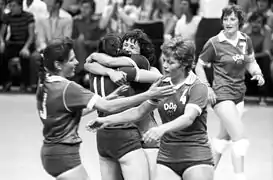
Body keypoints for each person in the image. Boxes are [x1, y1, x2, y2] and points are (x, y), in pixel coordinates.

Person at [36, 37, 175, 180]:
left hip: (50, 151)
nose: (77, 62)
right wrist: (149, 94)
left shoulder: (44, 83)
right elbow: (109, 106)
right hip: (66, 153)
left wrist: (108, 97)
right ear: (58, 65)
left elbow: (72, 111)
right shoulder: (68, 88)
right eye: (71, 60)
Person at [87, 36, 215, 180]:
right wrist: (106, 121)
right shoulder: (162, 83)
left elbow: (188, 118)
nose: (165, 65)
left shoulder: (197, 87)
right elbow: (139, 111)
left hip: (196, 155)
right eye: (164, 60)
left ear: (185, 64)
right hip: (167, 158)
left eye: (170, 62)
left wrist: (160, 129)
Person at [195, 5, 265, 180]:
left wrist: (257, 72)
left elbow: (250, 61)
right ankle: (240, 177)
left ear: (239, 22)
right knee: (240, 139)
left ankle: (204, 175)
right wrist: (207, 87)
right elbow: (199, 66)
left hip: (239, 95)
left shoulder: (244, 40)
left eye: (232, 19)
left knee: (222, 140)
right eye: (225, 19)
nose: (228, 22)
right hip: (221, 94)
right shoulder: (214, 43)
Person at [84, 30, 162, 180]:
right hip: (124, 129)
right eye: (125, 44)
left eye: (133, 46)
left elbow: (100, 63)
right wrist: (108, 71)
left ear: (142, 51)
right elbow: (92, 65)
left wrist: (94, 57)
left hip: (145, 131)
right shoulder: (118, 69)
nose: (127, 48)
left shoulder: (141, 63)